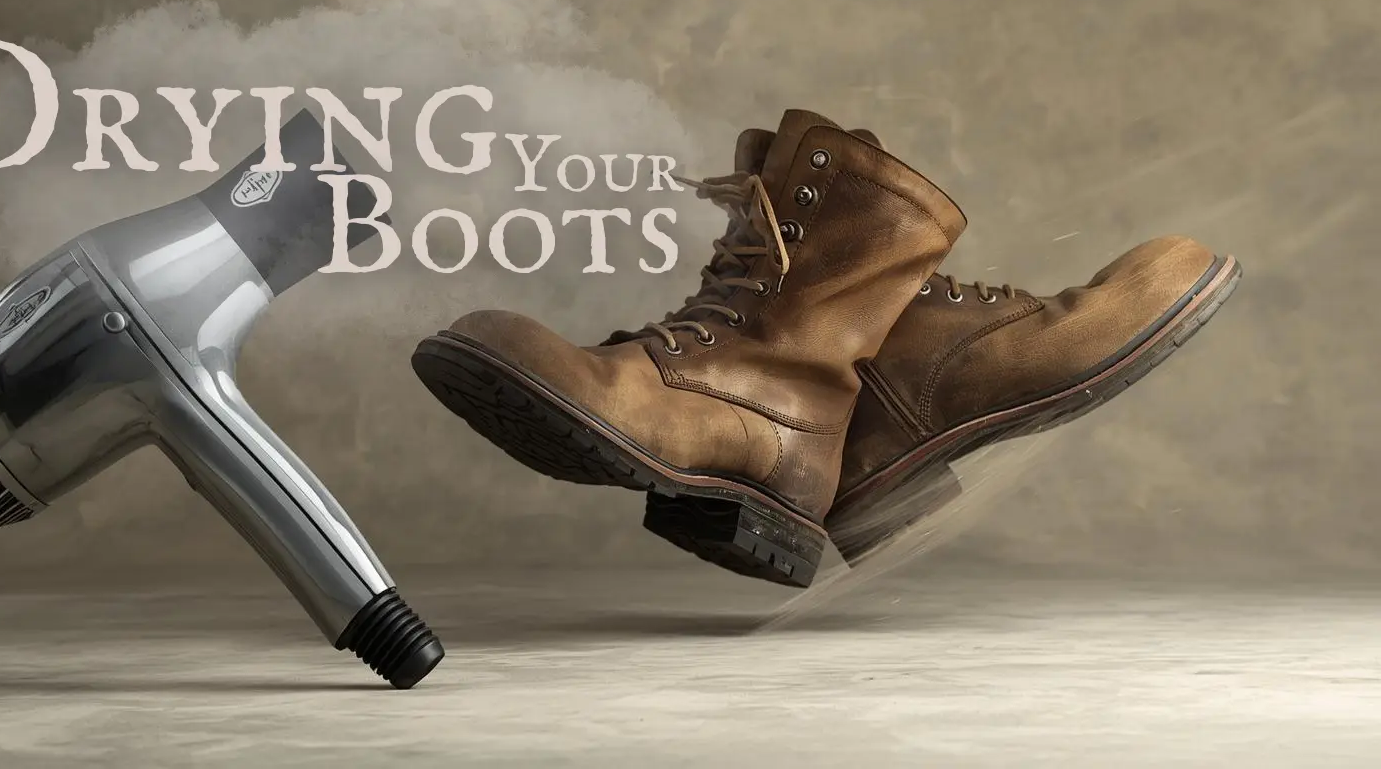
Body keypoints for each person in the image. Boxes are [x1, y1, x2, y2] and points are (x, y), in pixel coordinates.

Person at [410, 110, 1242, 589]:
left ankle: (820, 411)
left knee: (864, 279)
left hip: (799, 403)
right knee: (848, 270)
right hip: (803, 408)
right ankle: (825, 425)